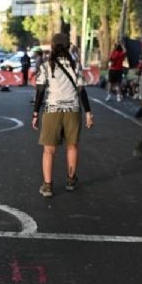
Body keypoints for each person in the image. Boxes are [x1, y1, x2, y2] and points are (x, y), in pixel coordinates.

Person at [31, 33, 94, 197]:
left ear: (52, 46)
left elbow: (40, 91)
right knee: (72, 146)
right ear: (68, 47)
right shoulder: (76, 65)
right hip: (73, 110)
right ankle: (71, 180)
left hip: (52, 110)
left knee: (48, 150)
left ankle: (47, 186)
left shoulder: (46, 65)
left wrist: (35, 113)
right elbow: (82, 90)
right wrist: (88, 112)